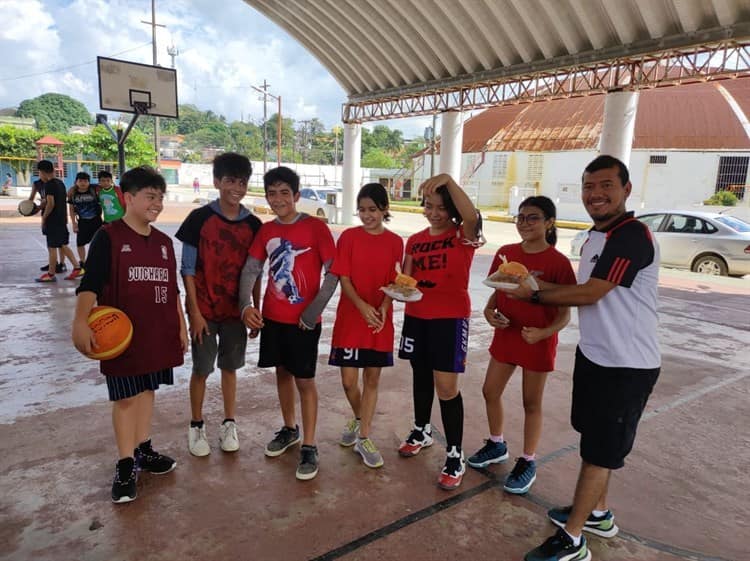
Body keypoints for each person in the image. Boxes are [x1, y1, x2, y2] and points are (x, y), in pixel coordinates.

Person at [507, 156, 661, 561]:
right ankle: (597, 513)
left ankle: (573, 540)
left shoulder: (632, 236)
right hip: (596, 357)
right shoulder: (595, 237)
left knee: (600, 452)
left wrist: (534, 292)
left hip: (628, 365)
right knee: (595, 442)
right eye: (589, 186)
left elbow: (592, 292)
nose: (596, 194)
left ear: (627, 190)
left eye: (606, 185)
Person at [71, 166, 188, 503]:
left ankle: (143, 449)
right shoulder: (108, 237)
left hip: (158, 332)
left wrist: (179, 325)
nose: (157, 203)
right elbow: (90, 283)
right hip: (121, 339)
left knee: (148, 388)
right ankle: (125, 462)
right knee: (125, 398)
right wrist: (80, 321)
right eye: (150, 196)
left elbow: (173, 290)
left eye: (160, 198)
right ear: (128, 197)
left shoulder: (165, 243)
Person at [467, 196, 576, 495]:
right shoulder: (505, 253)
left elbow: (565, 314)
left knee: (531, 403)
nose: (524, 223)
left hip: (537, 340)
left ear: (549, 223)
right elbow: (495, 290)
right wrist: (490, 313)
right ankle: (496, 443)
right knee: (490, 390)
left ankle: (528, 460)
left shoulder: (558, 263)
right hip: (507, 334)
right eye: (521, 217)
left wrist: (544, 333)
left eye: (533, 218)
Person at [238, 166, 337, 481]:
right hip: (273, 320)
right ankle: (289, 428)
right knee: (282, 372)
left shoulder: (316, 229)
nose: (278, 199)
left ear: (296, 195)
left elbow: (334, 273)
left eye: (284, 193)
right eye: (272, 193)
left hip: (305, 324)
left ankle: (309, 444)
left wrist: (313, 311)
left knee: (305, 381)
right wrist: (245, 306)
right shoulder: (266, 231)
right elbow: (251, 270)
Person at [397, 173, 483, 490]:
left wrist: (448, 180)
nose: (434, 213)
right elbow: (405, 281)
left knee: (446, 387)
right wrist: (397, 287)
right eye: (428, 206)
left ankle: (455, 454)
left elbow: (472, 215)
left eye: (441, 207)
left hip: (450, 319)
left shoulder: (464, 235)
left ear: (452, 211)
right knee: (420, 375)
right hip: (417, 315)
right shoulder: (415, 240)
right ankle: (422, 429)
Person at [175, 153, 262, 457]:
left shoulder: (253, 224)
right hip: (205, 310)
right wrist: (194, 313)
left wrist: (255, 307)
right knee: (201, 368)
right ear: (216, 182)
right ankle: (196, 425)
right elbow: (186, 269)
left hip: (236, 312)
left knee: (230, 367)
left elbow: (256, 271)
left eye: (242, 182)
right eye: (229, 181)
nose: (236, 188)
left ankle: (229, 423)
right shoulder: (199, 219)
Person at [328, 183, 403, 469]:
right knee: (349, 382)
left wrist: (382, 308)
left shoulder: (396, 241)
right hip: (351, 317)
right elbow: (344, 278)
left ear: (385, 209)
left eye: (372, 209)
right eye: (362, 209)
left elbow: (396, 281)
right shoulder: (348, 237)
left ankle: (365, 436)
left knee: (372, 379)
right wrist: (362, 306)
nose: (367, 215)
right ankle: (360, 419)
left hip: (379, 321)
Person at [34, 160, 79, 282]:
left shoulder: (48, 185)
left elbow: (51, 204)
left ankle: (51, 274)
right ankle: (77, 267)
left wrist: (44, 218)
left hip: (53, 221)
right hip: (61, 220)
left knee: (52, 247)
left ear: (42, 172)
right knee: (63, 245)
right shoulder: (60, 183)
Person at [67, 171, 102, 278]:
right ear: (76, 182)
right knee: (80, 243)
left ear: (89, 182)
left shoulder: (94, 189)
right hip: (82, 222)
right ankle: (82, 262)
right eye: (80, 181)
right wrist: (74, 223)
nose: (83, 183)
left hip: (96, 221)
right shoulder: (73, 193)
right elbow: (71, 209)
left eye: (85, 181)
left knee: (97, 243)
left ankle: (96, 262)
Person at [29, 172, 65, 274]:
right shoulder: (37, 184)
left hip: (55, 215)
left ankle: (62, 264)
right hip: (47, 214)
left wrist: (44, 216)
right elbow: (31, 199)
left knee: (60, 243)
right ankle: (53, 263)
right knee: (51, 243)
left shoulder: (54, 183)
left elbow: (53, 203)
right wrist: (27, 208)